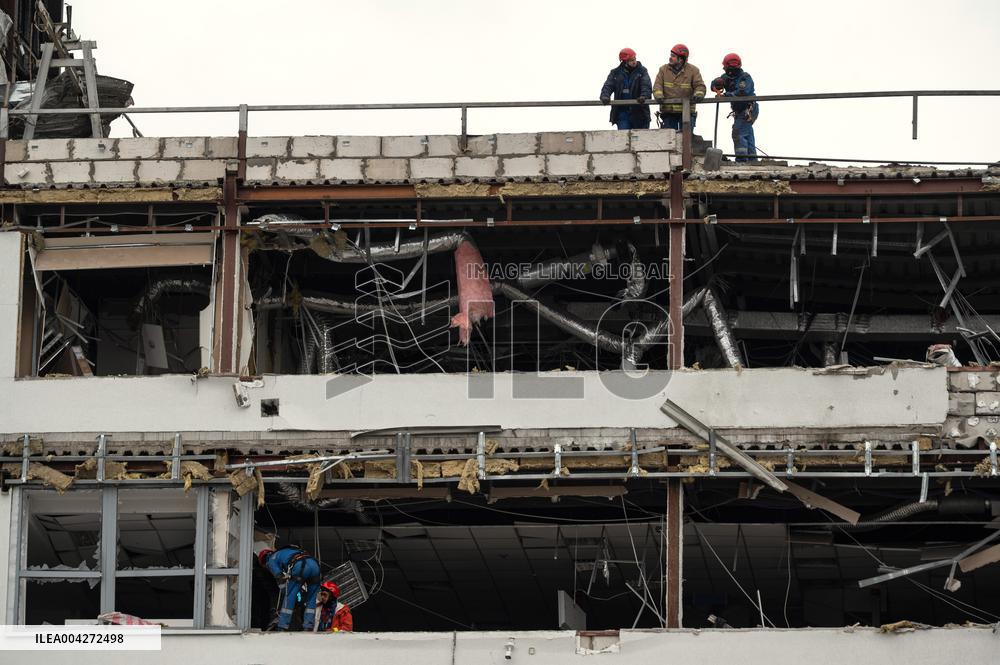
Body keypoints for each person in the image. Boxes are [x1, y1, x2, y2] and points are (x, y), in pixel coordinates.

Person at [258, 545, 323, 631]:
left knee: (289, 596)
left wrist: (285, 590)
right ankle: (308, 626)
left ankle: (282, 626)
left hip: (301, 565)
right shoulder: (286, 551)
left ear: (264, 561)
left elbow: (279, 576)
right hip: (314, 565)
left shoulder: (270, 559)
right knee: (311, 598)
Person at [711, 53, 759, 162]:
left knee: (738, 132)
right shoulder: (726, 78)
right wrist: (716, 84)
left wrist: (725, 95)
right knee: (747, 133)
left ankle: (741, 161)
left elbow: (743, 93)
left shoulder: (745, 77)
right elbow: (713, 84)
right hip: (739, 110)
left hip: (748, 109)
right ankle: (752, 160)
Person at [652, 44, 706, 131]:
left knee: (686, 140)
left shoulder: (693, 70)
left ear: (681, 59)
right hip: (668, 112)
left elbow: (699, 85)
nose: (670, 58)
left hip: (686, 113)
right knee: (668, 140)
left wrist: (699, 94)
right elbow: (657, 85)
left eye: (673, 56)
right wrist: (658, 95)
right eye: (670, 55)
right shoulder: (663, 70)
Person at [600, 48, 652, 130]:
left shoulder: (642, 71)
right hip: (622, 112)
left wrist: (644, 96)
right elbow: (608, 86)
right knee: (623, 139)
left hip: (639, 111)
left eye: (634, 59)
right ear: (625, 62)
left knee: (641, 139)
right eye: (631, 60)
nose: (634, 61)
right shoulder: (615, 73)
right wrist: (605, 96)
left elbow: (646, 85)